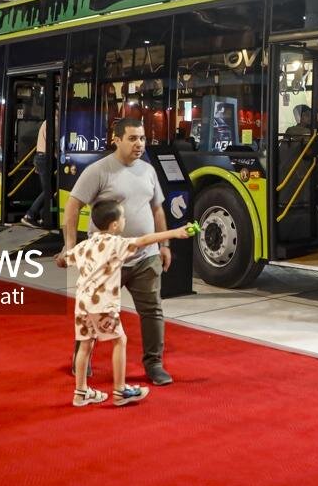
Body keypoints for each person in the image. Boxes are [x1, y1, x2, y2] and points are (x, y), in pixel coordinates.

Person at [63, 117, 173, 386]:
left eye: (142, 138)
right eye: (133, 138)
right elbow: (73, 206)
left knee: (153, 311)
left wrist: (164, 246)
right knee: (94, 309)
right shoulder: (98, 171)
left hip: (145, 257)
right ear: (117, 140)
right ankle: (82, 357)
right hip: (107, 260)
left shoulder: (148, 171)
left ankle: (154, 364)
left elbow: (157, 209)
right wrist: (70, 246)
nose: (139, 144)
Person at [56, 200, 198, 407]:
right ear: (114, 225)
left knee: (85, 345)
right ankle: (120, 390)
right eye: (123, 217)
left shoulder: (85, 245)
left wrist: (60, 258)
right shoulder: (117, 244)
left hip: (83, 304)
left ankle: (81, 393)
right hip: (103, 304)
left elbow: (65, 259)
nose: (125, 220)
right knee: (119, 341)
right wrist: (175, 233)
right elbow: (145, 240)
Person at [21, 119, 52, 228]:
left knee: (47, 189)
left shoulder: (47, 122)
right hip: (44, 158)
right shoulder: (53, 121)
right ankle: (30, 215)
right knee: (49, 190)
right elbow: (54, 142)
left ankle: (43, 218)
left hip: (41, 157)